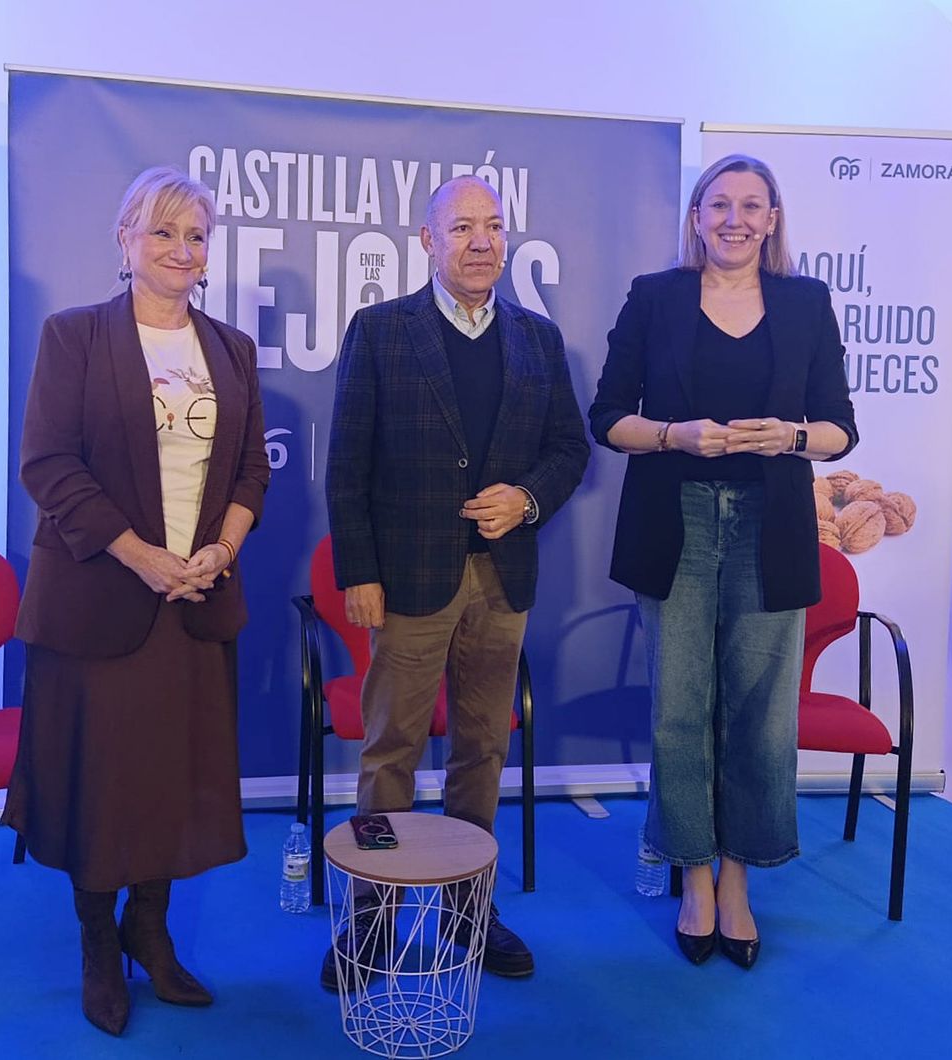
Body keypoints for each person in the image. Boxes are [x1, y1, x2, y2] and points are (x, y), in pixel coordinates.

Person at [3, 166, 269, 1035]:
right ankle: (95, 945)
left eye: (195, 236)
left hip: (195, 601)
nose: (181, 251)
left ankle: (148, 933)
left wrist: (220, 551)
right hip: (98, 600)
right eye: (163, 233)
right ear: (125, 241)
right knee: (101, 785)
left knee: (168, 781)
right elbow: (49, 463)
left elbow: (248, 471)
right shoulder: (74, 336)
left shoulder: (230, 350)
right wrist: (141, 556)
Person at [587, 154, 858, 970]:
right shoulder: (654, 297)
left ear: (772, 219)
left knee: (760, 713)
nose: (735, 218)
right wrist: (675, 435)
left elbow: (842, 427)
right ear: (697, 217)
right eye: (719, 204)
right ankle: (693, 878)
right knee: (679, 708)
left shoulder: (807, 304)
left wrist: (795, 438)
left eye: (752, 205)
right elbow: (607, 418)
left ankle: (738, 881)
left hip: (771, 526)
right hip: (674, 520)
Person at [323, 175, 589, 986]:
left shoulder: (539, 339)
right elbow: (345, 468)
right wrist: (358, 574)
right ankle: (373, 921)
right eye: (462, 227)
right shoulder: (379, 331)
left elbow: (569, 450)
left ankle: (469, 913)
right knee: (390, 753)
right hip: (407, 580)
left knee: (482, 748)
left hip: (502, 581)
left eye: (494, 226)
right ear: (427, 241)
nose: (481, 242)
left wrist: (528, 496)